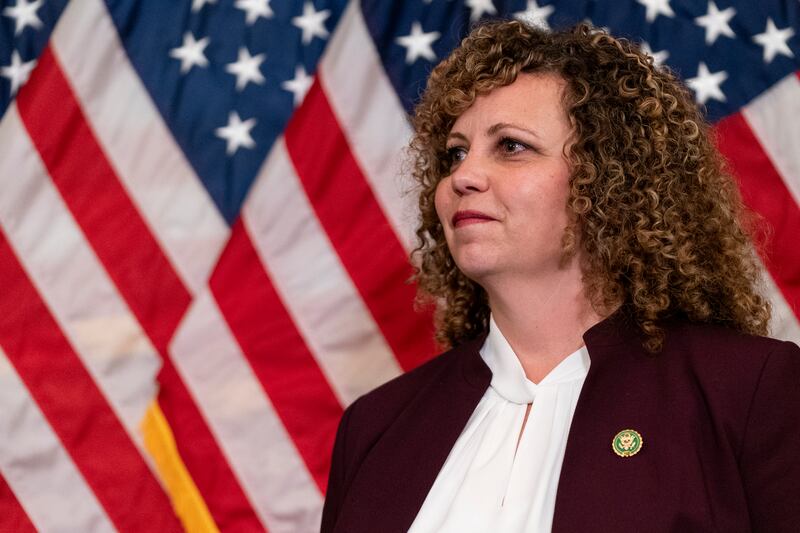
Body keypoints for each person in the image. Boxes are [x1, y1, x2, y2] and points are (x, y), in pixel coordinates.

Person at [320, 20, 800, 533]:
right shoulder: (373, 427)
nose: (462, 176)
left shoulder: (749, 392)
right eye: (455, 153)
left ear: (610, 180)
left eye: (511, 146)